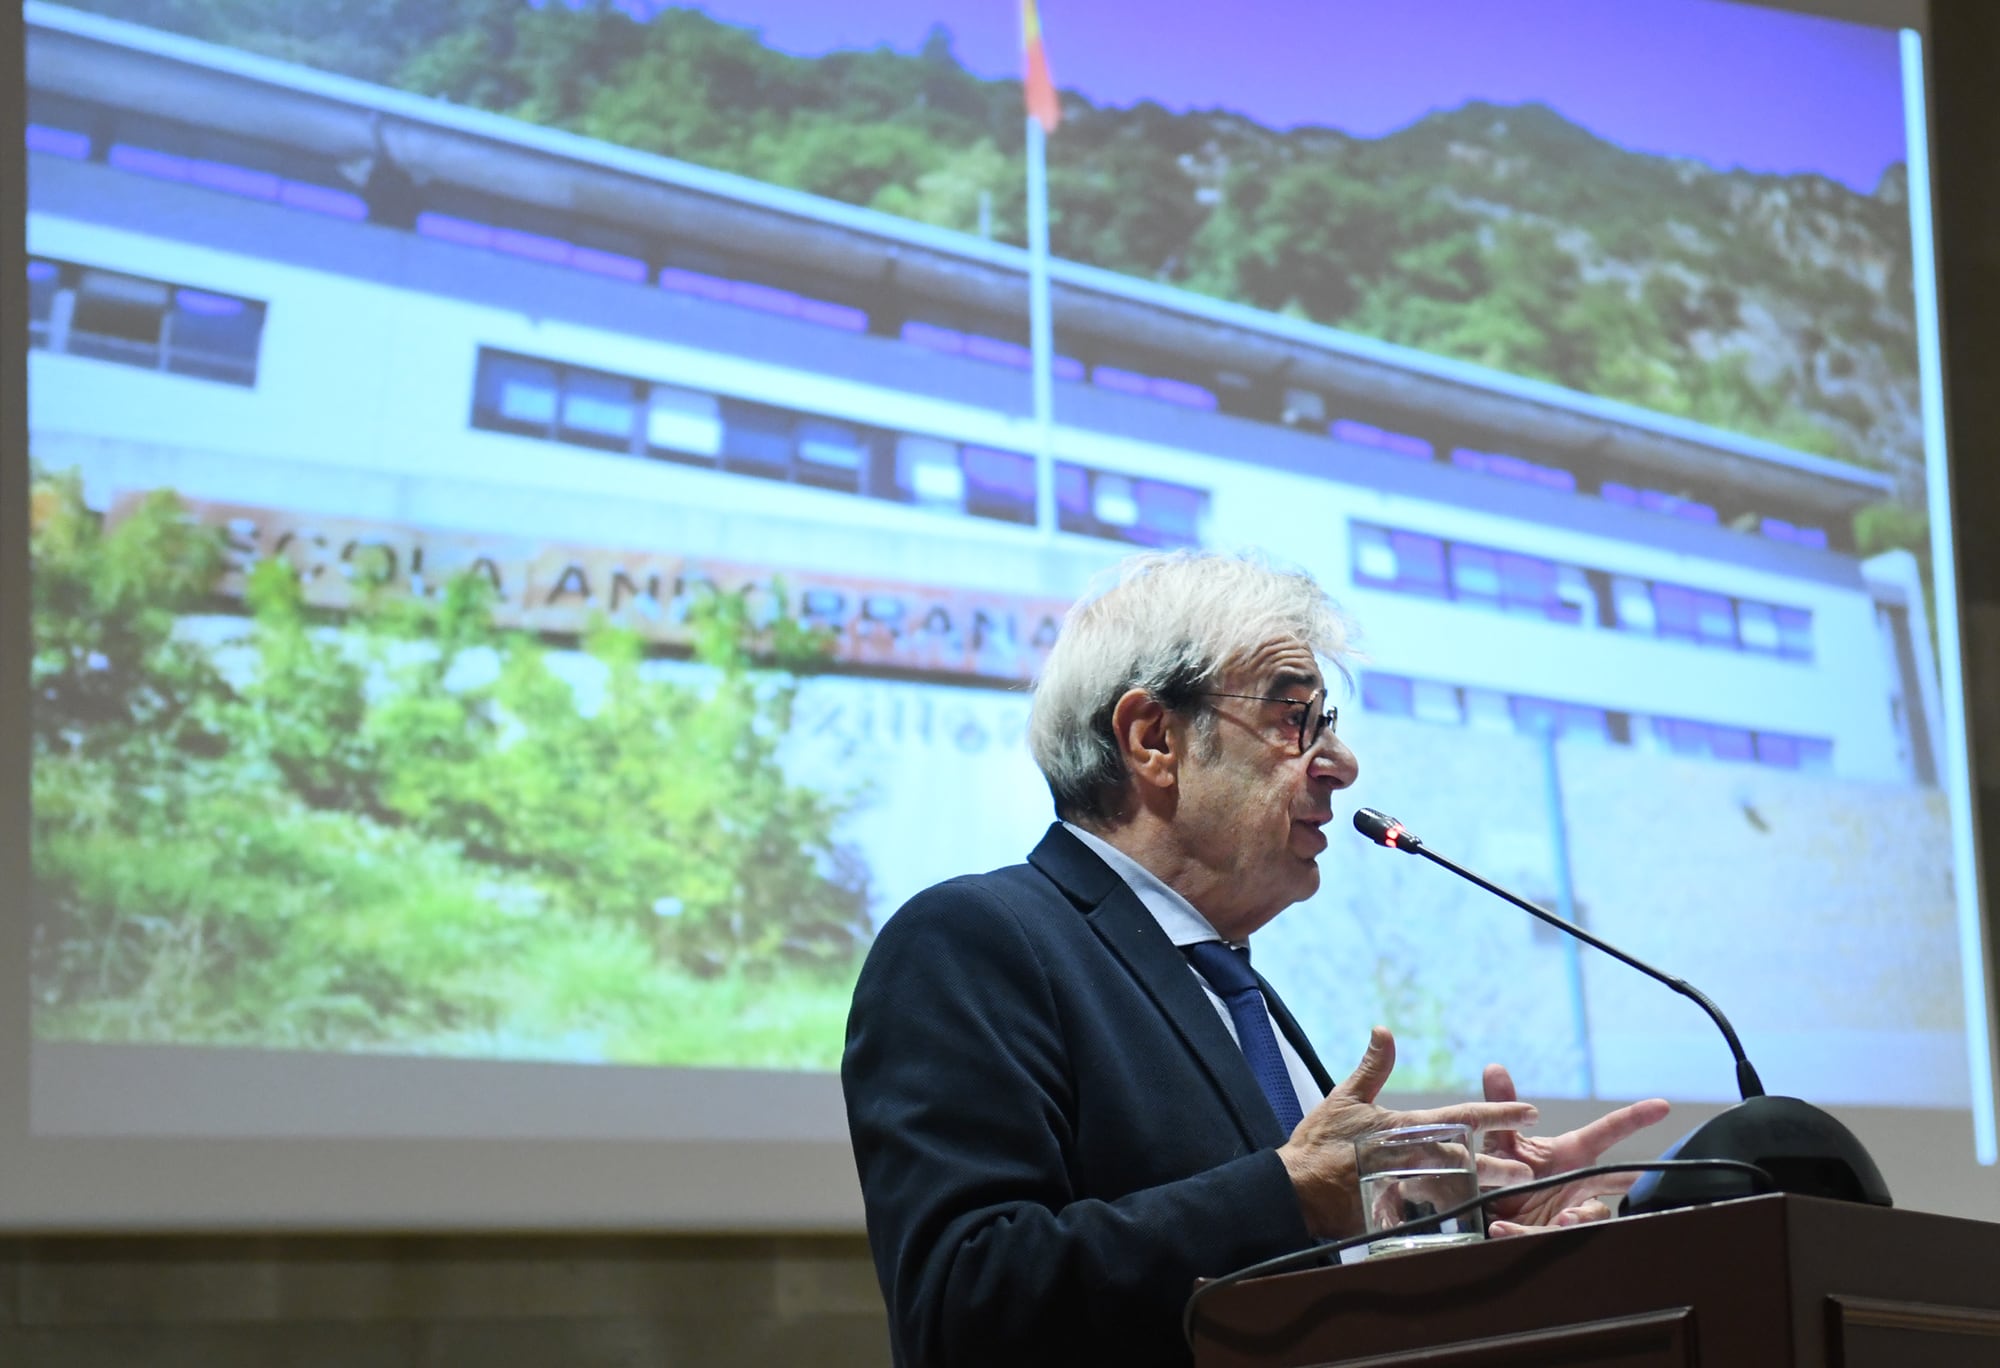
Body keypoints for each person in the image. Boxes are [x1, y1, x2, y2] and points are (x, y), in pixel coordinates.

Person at [842, 548, 1669, 1367]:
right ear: (1152, 739)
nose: (1341, 765)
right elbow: (964, 1301)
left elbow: (1309, 1275)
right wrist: (1289, 1190)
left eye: (1328, 726)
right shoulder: (973, 939)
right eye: (1292, 720)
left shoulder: (1231, 983)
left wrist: (1477, 1217)